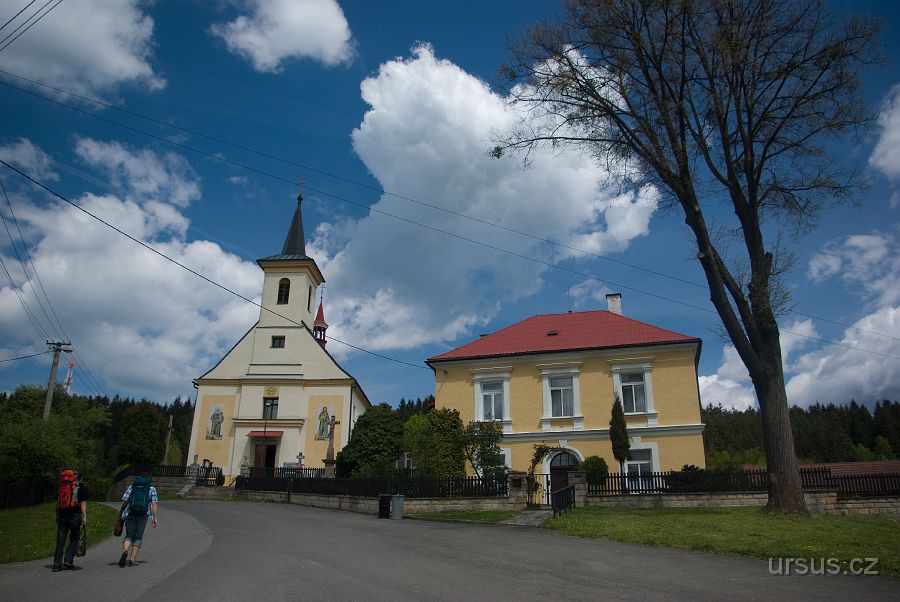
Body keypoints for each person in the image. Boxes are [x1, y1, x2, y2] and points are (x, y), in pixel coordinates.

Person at [118, 472, 158, 567]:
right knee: (138, 537)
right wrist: (155, 518)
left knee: (129, 535)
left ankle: (125, 551)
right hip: (143, 515)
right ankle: (132, 559)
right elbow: (154, 504)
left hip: (131, 513)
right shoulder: (151, 489)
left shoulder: (132, 487)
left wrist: (122, 514)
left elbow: (125, 499)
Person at [52, 469, 87, 572]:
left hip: (62, 516)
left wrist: (57, 516)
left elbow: (58, 502)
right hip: (75, 516)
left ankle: (56, 565)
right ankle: (68, 560)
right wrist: (84, 516)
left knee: (60, 540)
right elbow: (83, 503)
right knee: (74, 538)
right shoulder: (80, 487)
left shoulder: (62, 486)